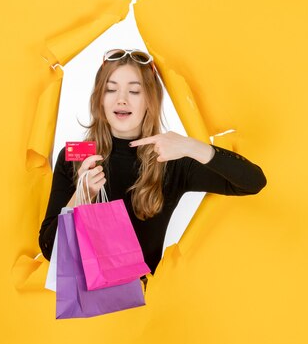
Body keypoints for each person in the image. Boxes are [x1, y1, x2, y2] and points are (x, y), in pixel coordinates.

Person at [38, 49, 267, 285]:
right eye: (111, 89)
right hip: (89, 311)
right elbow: (49, 249)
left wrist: (190, 146)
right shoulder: (75, 156)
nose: (122, 99)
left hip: (145, 309)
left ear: (150, 99)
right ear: (99, 98)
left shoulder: (171, 158)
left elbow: (252, 182)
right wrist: (81, 197)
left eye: (134, 91)